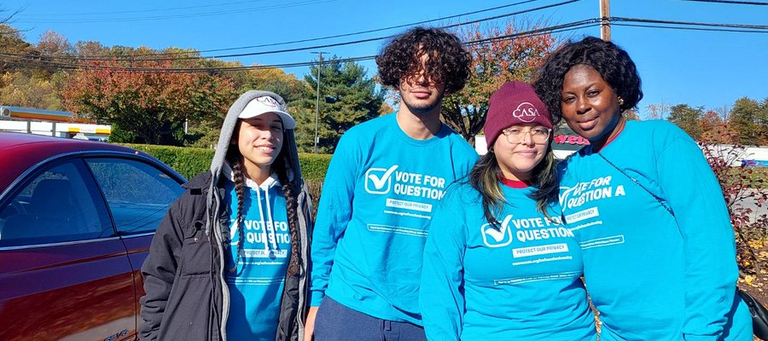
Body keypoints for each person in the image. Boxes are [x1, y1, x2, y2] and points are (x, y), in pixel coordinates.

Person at [533, 36, 753, 341]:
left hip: (696, 331)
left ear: (619, 93)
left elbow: (709, 240)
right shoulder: (568, 171)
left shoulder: (660, 141)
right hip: (618, 333)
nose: (582, 106)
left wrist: (702, 332)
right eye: (569, 98)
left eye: (593, 92)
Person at [304, 27, 477, 341]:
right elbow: (329, 227)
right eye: (412, 68)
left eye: (433, 69)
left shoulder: (464, 160)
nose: (421, 79)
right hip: (349, 308)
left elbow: (464, 251)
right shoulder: (359, 141)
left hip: (424, 319)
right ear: (397, 75)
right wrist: (316, 301)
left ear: (449, 79)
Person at [419, 81, 596, 341]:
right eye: (513, 130)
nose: (528, 141)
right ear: (493, 138)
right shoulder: (462, 201)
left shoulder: (568, 191)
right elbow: (439, 291)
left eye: (538, 130)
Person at [139, 90, 313, 341]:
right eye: (256, 125)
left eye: (276, 127)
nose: (268, 135)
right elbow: (160, 276)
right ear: (233, 135)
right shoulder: (198, 202)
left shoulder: (296, 203)